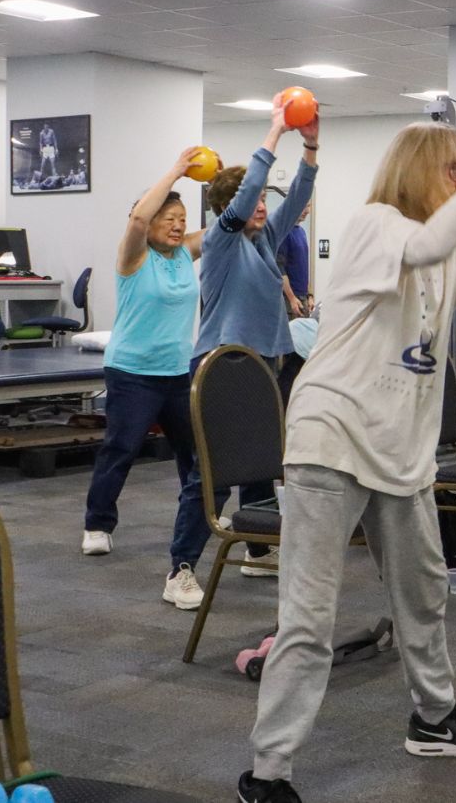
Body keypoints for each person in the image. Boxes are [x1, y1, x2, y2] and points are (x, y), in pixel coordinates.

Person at [237, 93, 456, 803]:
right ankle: (266, 774)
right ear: (423, 170)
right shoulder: (375, 226)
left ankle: (435, 718)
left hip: (403, 453)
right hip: (333, 437)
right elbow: (428, 243)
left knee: (424, 597)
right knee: (309, 619)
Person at [172, 97, 317, 597]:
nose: (261, 205)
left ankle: (255, 549)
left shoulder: (261, 242)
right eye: (252, 200)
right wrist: (275, 132)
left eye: (260, 202)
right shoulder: (221, 242)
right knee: (209, 475)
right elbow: (253, 187)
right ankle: (181, 568)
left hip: (263, 365)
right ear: (230, 207)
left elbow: (295, 197)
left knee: (261, 462)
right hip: (221, 365)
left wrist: (312, 148)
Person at [80, 149, 206, 605]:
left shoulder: (183, 254)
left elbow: (224, 228)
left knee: (195, 456)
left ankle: (203, 517)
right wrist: (175, 171)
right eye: (168, 217)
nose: (176, 225)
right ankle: (97, 523)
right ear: (151, 223)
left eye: (181, 218)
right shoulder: (134, 257)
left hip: (177, 373)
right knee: (122, 447)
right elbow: (135, 222)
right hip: (132, 372)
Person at [278, 199, 312, 319]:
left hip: (303, 297)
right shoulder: (284, 233)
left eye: (308, 206)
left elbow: (303, 267)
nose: (307, 211)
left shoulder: (301, 232)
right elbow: (280, 269)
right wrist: (292, 299)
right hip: (290, 300)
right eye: (303, 206)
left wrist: (309, 295)